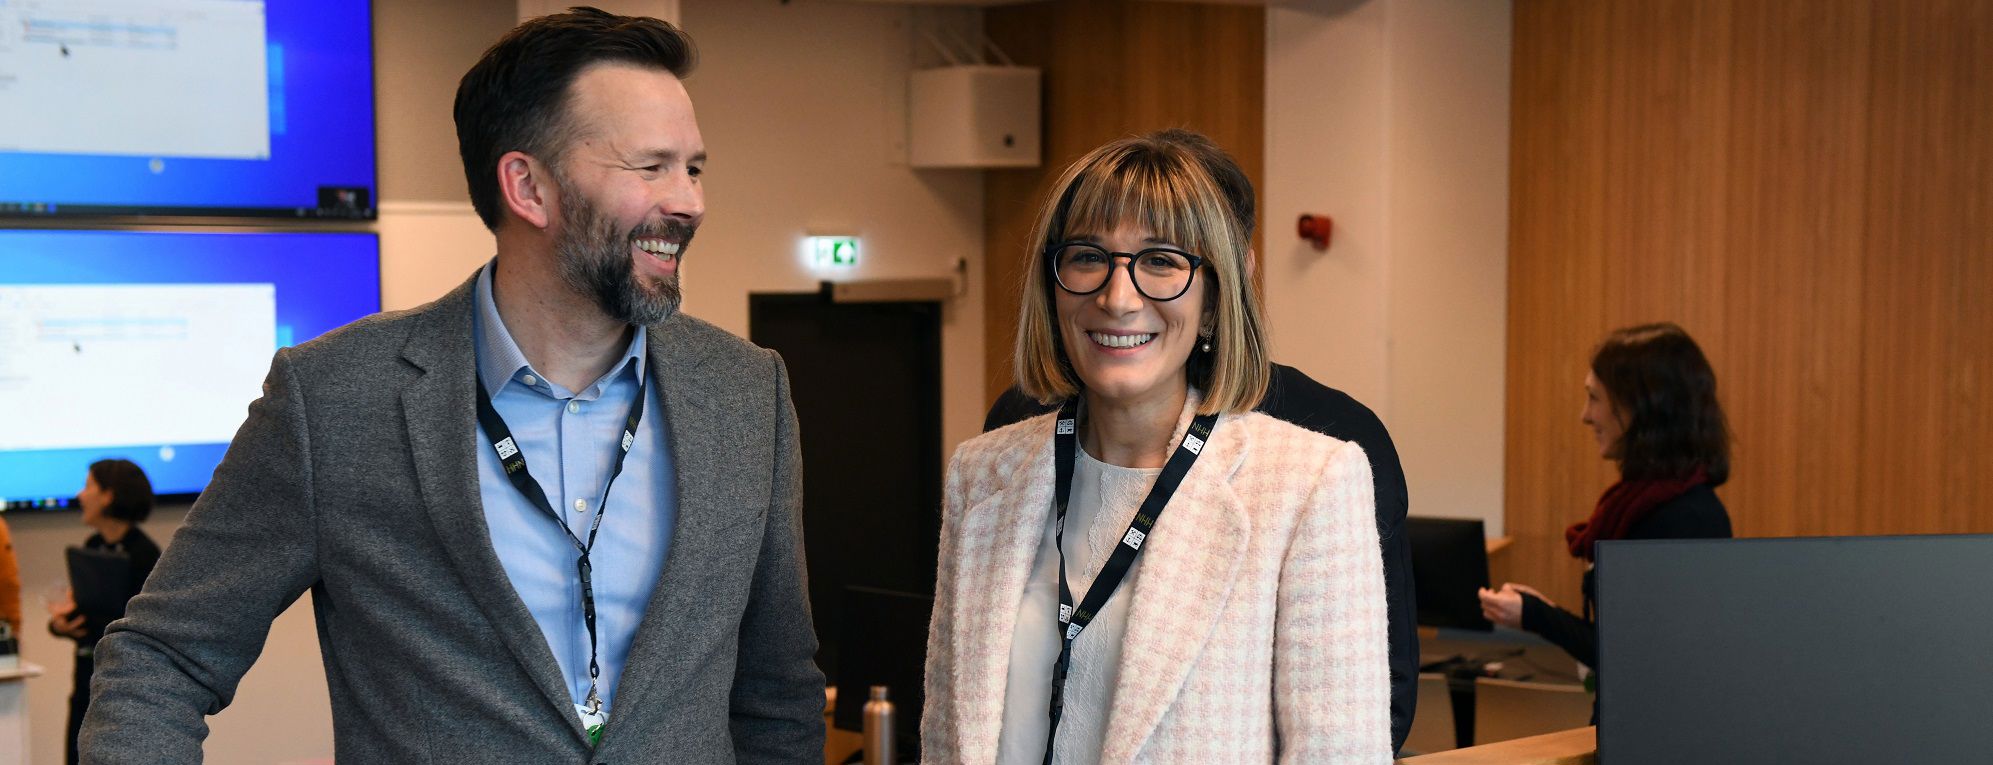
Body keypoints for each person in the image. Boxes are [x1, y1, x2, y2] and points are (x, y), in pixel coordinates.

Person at [81, 9, 824, 763]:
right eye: (651, 167)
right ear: (528, 187)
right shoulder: (333, 400)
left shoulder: (745, 392)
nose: (690, 200)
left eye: (693, 167)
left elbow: (777, 697)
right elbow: (161, 657)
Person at [925, 130, 1391, 763]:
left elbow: (1339, 754)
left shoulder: (1309, 484)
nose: (1117, 298)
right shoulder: (983, 473)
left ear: (1215, 298)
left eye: (1162, 262)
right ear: (1052, 283)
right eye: (1088, 257)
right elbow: (947, 736)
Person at [1477, 323, 1733, 674]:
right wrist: (1540, 610)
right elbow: (1625, 638)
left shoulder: (1686, 518)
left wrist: (1537, 615)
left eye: (1594, 398)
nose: (1586, 415)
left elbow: (1638, 658)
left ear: (1640, 408)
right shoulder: (1644, 503)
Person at [47, 459, 161, 765]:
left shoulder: (145, 556)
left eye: (88, 486)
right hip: (86, 680)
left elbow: (139, 631)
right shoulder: (93, 544)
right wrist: (61, 624)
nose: (80, 495)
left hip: (122, 690)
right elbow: (90, 616)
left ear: (108, 495)